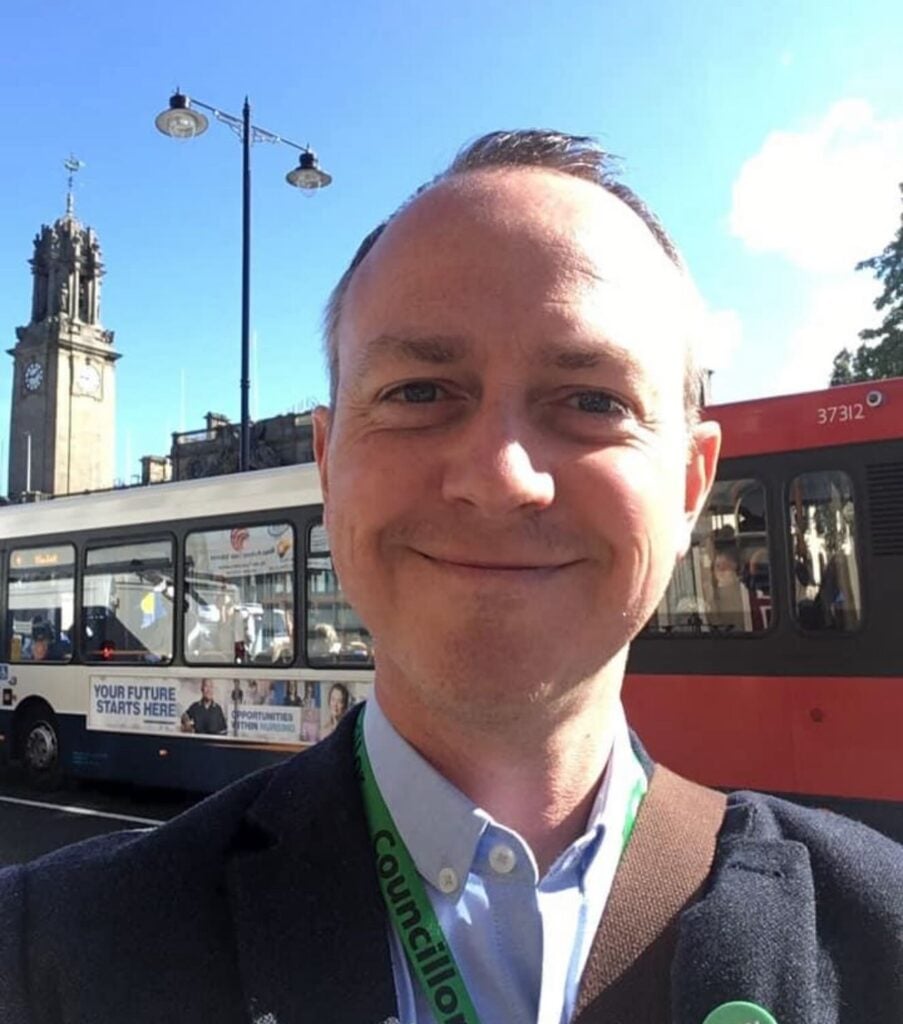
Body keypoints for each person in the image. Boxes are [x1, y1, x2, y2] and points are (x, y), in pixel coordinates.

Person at [1, 130, 901, 1024]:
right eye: (419, 392)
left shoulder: (881, 936)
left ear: (690, 485)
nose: (500, 477)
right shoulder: (42, 955)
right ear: (327, 462)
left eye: (594, 401)